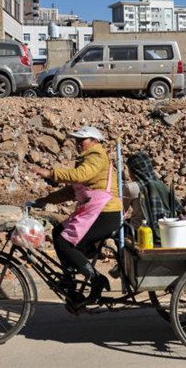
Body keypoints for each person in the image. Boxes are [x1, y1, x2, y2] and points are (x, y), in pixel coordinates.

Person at [33, 125, 122, 305]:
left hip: (105, 213)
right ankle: (70, 277)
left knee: (64, 241)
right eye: (77, 141)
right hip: (94, 211)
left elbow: (81, 175)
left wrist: (51, 173)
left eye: (82, 140)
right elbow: (71, 191)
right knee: (58, 233)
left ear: (95, 141)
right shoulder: (86, 159)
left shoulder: (97, 155)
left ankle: (96, 279)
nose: (78, 144)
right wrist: (46, 200)